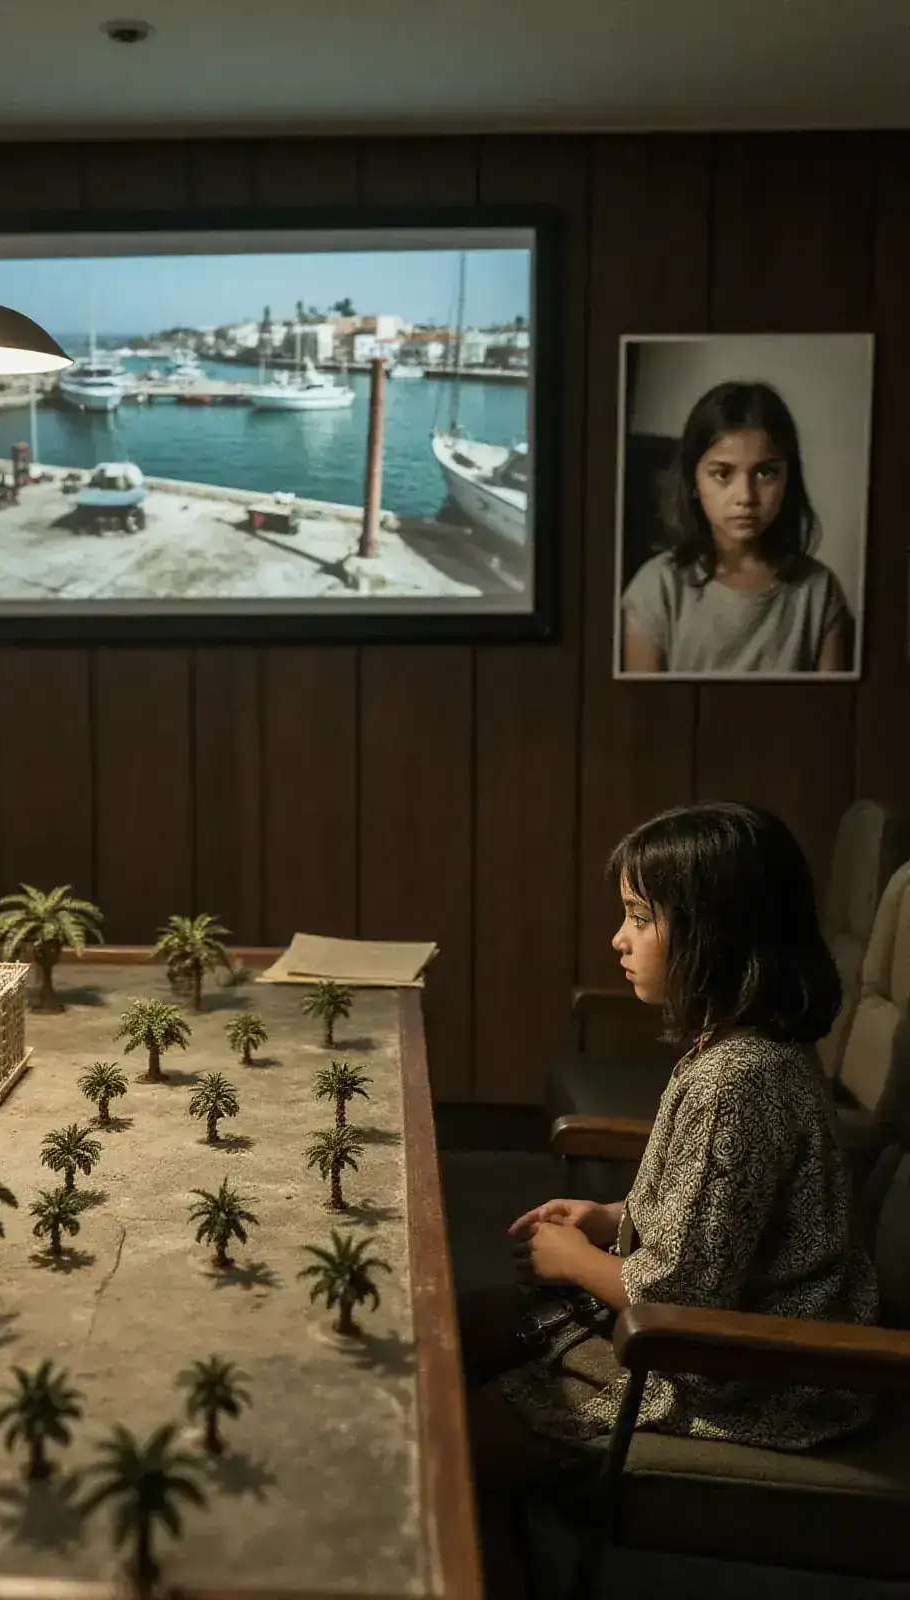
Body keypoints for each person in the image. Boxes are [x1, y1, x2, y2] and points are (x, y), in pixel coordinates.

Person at [460, 802, 878, 1598]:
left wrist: (573, 1260)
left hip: (754, 1371)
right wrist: (610, 1218)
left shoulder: (739, 1079)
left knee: (464, 1445)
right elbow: (717, 1213)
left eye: (640, 917)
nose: (619, 939)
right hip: (718, 1326)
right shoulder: (741, 1049)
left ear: (717, 932)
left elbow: (681, 1294)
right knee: (463, 1326)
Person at [620, 381, 853, 674]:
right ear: (694, 482)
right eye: (722, 474)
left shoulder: (818, 591)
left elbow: (835, 702)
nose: (746, 496)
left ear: (788, 479)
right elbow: (644, 702)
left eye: (765, 473)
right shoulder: (657, 588)